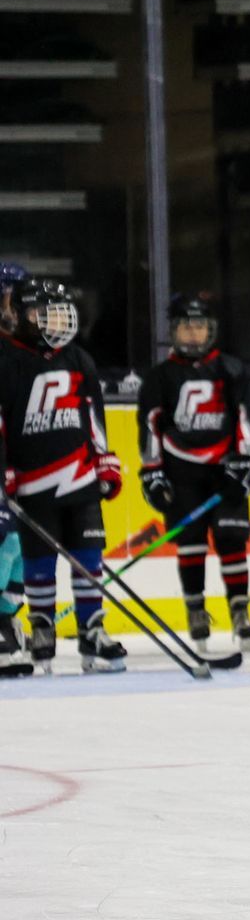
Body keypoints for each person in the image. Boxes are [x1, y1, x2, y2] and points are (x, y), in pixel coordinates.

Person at [0, 279, 124, 673]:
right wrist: (4, 472)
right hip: (33, 482)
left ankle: (92, 631)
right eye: (43, 313)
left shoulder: (78, 359)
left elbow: (94, 418)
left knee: (89, 555)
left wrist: (104, 461)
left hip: (81, 478)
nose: (53, 320)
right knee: (39, 562)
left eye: (56, 311)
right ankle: (42, 630)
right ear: (19, 316)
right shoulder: (6, 359)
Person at [136, 294, 250, 655]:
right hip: (181, 471)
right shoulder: (160, 377)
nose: (194, 333)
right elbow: (150, 427)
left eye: (200, 326)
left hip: (225, 469)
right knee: (190, 541)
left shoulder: (230, 369)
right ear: (174, 331)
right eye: (187, 326)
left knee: (231, 538)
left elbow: (247, 419)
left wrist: (243, 463)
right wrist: (153, 474)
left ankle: (240, 610)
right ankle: (196, 610)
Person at [0, 263, 30, 675]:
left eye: (13, 299)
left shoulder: (32, 351)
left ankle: (8, 617)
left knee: (21, 546)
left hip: (27, 464)